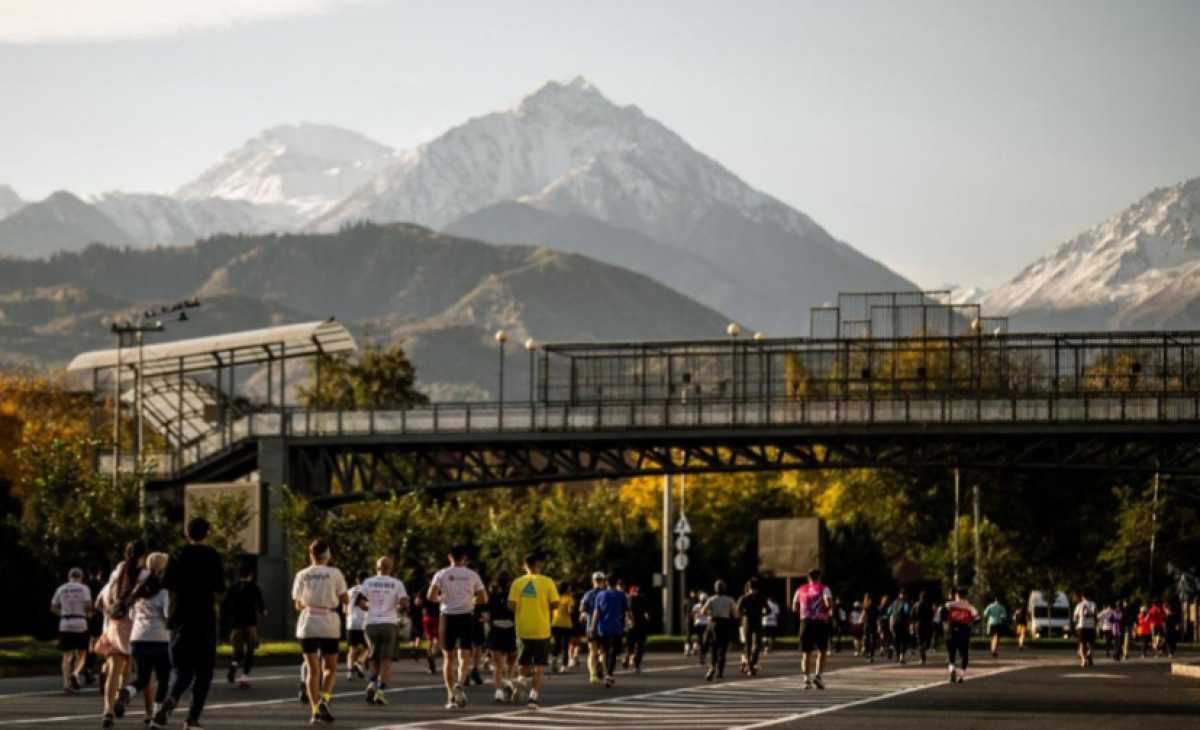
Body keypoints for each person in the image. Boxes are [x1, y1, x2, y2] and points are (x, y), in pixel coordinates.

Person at [153, 518, 224, 730]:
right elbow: (220, 586)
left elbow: (166, 584)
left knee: (183, 670)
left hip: (179, 619)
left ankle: (170, 701)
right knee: (204, 672)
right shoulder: (213, 555)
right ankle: (192, 719)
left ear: (187, 534)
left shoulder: (176, 555)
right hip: (204, 618)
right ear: (207, 533)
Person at [292, 539, 348, 725]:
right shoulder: (335, 573)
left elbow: (298, 603)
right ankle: (324, 699)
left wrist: (310, 603)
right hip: (329, 623)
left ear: (311, 555)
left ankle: (315, 709)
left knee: (312, 670)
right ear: (327, 554)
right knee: (330, 667)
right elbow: (345, 598)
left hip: (308, 623)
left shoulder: (302, 574)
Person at [114, 552, 171, 726]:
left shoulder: (137, 589)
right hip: (159, 639)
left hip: (138, 639)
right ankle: (155, 716)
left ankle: (127, 693)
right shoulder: (164, 591)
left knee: (142, 678)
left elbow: (131, 615)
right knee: (163, 679)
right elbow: (168, 616)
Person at [428, 545, 487, 710]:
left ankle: (450, 696)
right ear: (465, 558)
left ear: (449, 557)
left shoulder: (441, 574)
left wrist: (442, 598)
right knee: (465, 654)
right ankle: (460, 683)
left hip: (447, 616)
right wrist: (470, 600)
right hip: (466, 616)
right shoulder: (472, 574)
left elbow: (430, 596)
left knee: (448, 657)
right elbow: (484, 597)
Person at [100, 541, 146, 729]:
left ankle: (107, 711)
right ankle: (121, 697)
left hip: (114, 624)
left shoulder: (117, 573)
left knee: (113, 669)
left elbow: (103, 599)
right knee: (127, 668)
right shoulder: (144, 575)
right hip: (134, 626)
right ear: (143, 556)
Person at [508, 552, 559, 708]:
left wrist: (525, 605)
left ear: (524, 566)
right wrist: (542, 605)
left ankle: (521, 681)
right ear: (538, 565)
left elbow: (511, 605)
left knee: (523, 663)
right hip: (542, 629)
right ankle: (533, 698)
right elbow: (556, 604)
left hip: (523, 629)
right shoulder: (547, 581)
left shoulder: (517, 582)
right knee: (539, 666)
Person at [363, 556, 409, 706]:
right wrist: (398, 608)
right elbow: (404, 602)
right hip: (389, 623)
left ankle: (371, 683)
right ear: (391, 568)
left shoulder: (368, 582)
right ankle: (380, 692)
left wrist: (370, 608)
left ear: (377, 567)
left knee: (373, 656)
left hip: (370, 624)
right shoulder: (397, 583)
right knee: (386, 659)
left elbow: (361, 602)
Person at [222, 563, 266, 688]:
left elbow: (224, 605)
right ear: (251, 575)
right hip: (250, 624)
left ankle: (233, 665)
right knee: (250, 651)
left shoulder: (232, 588)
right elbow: (261, 605)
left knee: (238, 651)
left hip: (236, 624)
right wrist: (263, 611)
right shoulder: (254, 587)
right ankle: (244, 678)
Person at [50, 567, 93, 694]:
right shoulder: (84, 588)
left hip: (65, 623)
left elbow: (53, 607)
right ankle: (75, 673)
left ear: (69, 577)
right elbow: (88, 605)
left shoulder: (61, 588)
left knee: (66, 655)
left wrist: (63, 613)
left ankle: (66, 684)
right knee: (82, 653)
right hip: (80, 622)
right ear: (81, 577)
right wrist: (88, 613)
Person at [794, 569, 834, 689]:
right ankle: (818, 676)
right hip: (820, 622)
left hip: (805, 622)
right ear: (819, 577)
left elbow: (794, 607)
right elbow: (828, 604)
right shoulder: (824, 588)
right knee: (822, 651)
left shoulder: (800, 589)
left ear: (808, 578)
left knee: (806, 652)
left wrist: (804, 612)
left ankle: (806, 679)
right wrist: (827, 608)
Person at [592, 573, 631, 687]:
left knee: (604, 650)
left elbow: (596, 612)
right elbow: (627, 611)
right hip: (616, 628)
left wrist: (593, 627)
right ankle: (609, 675)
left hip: (602, 628)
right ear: (616, 583)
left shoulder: (600, 595)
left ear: (606, 582)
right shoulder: (621, 595)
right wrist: (631, 621)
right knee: (613, 653)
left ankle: (599, 664)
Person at [486, 576, 518, 703]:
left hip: (496, 629)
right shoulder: (514, 598)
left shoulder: (491, 597)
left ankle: (498, 692)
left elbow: (487, 616)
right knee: (512, 658)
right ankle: (509, 680)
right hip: (510, 629)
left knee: (497, 665)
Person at [944, 587, 980, 683]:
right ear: (965, 595)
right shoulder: (970, 607)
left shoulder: (949, 605)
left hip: (951, 631)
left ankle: (952, 670)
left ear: (956, 595)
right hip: (964, 631)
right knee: (964, 655)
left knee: (951, 654)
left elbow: (942, 615)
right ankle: (961, 676)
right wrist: (970, 624)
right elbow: (978, 618)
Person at [579, 572, 608, 684]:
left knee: (592, 651)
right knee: (603, 651)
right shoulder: (607, 594)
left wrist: (584, 615)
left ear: (593, 581)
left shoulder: (588, 594)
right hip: (605, 627)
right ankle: (600, 663)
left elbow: (582, 609)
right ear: (604, 581)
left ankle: (593, 675)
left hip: (591, 626)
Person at [736, 578, 766, 675]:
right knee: (753, 644)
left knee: (752, 644)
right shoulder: (757, 597)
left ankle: (750, 663)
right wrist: (762, 614)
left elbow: (737, 610)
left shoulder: (746, 598)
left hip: (748, 621)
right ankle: (751, 664)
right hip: (753, 622)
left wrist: (744, 614)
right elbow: (768, 610)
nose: (754, 591)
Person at [84, 564, 107, 687]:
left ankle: (89, 668)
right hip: (100, 617)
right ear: (100, 572)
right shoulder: (103, 585)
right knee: (102, 642)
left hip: (87, 618)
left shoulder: (85, 585)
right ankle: (102, 668)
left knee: (91, 643)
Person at [346, 572, 370, 681]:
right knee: (369, 648)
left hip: (350, 622)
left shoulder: (349, 591)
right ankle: (359, 663)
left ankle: (350, 672)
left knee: (352, 649)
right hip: (362, 623)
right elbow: (363, 605)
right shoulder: (366, 591)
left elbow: (344, 609)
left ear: (357, 580)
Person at [623, 584, 651, 672]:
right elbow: (647, 613)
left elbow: (627, 612)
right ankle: (636, 664)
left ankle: (628, 657)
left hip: (632, 625)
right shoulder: (642, 599)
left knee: (631, 644)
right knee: (640, 645)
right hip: (640, 625)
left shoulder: (629, 599)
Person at [550, 581, 575, 674]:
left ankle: (554, 661)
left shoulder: (555, 598)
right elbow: (570, 611)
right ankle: (564, 666)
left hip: (555, 624)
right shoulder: (569, 599)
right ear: (566, 589)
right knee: (565, 646)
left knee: (557, 644)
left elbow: (550, 610)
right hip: (566, 625)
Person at [418, 591, 441, 674]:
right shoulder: (441, 588)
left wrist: (423, 606)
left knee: (429, 640)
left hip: (427, 617)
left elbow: (417, 602)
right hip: (438, 617)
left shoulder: (424, 589)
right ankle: (432, 656)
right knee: (437, 639)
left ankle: (430, 658)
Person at [1073, 593, 1097, 667]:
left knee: (1082, 644)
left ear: (1083, 597)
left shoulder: (1079, 605)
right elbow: (1095, 615)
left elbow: (1075, 617)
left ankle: (1083, 660)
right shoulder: (1093, 604)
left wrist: (1076, 624)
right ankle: (1089, 654)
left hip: (1082, 626)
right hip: (1091, 626)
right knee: (1091, 643)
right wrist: (1095, 624)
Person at [913, 591, 935, 665]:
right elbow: (932, 615)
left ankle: (922, 657)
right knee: (926, 640)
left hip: (918, 624)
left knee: (920, 640)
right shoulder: (929, 605)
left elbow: (912, 615)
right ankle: (924, 649)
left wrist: (913, 624)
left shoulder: (916, 605)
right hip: (927, 624)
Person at [890, 590, 913, 664]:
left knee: (896, 640)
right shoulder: (906, 603)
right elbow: (908, 613)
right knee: (903, 640)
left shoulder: (894, 603)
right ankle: (901, 656)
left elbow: (889, 612)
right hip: (903, 624)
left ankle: (898, 655)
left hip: (895, 623)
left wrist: (891, 623)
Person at [692, 592, 711, 665]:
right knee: (703, 642)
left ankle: (697, 649)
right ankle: (702, 656)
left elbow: (693, 615)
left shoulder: (696, 606)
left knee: (701, 641)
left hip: (699, 624)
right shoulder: (707, 606)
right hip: (703, 624)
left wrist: (695, 620)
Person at [861, 593, 878, 663]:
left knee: (866, 638)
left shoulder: (866, 605)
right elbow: (877, 615)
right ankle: (871, 655)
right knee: (872, 639)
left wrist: (861, 619)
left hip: (867, 623)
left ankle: (865, 650)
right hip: (873, 623)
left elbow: (864, 613)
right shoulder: (874, 605)